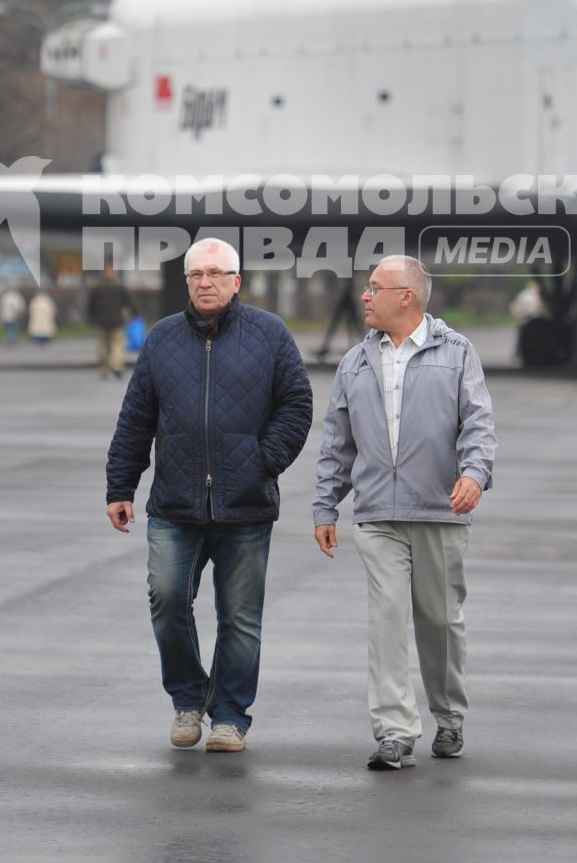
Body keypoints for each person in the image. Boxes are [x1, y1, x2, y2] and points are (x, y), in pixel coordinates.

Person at [105, 238, 313, 755]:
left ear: (236, 281)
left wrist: (262, 461)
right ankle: (187, 698)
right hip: (174, 504)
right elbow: (136, 418)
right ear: (187, 281)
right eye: (197, 274)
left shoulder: (269, 334)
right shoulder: (162, 338)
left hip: (246, 505)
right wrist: (120, 486)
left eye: (217, 274)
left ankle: (229, 717)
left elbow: (297, 405)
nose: (205, 282)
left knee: (240, 618)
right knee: (167, 600)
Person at [312, 255, 496, 772]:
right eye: (367, 288)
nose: (365, 296)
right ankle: (394, 732)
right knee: (387, 619)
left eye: (376, 288)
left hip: (440, 509)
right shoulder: (355, 362)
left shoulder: (458, 353)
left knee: (439, 622)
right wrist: (326, 503)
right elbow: (336, 444)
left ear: (406, 296)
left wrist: (474, 475)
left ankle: (450, 716)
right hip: (376, 514)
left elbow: (479, 424)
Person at [87, 262, 133, 380]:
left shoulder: (97, 287)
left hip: (101, 322)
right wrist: (134, 314)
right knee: (118, 345)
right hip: (117, 321)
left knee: (103, 347)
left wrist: (91, 318)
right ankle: (116, 365)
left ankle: (105, 369)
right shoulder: (119, 286)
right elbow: (128, 302)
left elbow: (90, 305)